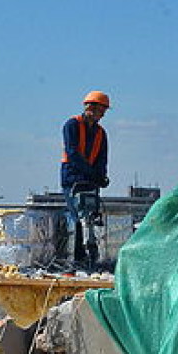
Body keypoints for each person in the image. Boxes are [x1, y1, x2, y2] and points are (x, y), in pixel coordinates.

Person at [60, 90, 111, 267]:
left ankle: (92, 255)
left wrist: (101, 176)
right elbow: (72, 152)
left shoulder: (101, 133)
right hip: (72, 176)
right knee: (77, 217)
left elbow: (102, 157)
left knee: (91, 216)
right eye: (101, 110)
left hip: (90, 180)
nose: (102, 114)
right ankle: (76, 259)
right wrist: (91, 173)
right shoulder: (72, 125)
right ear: (90, 107)